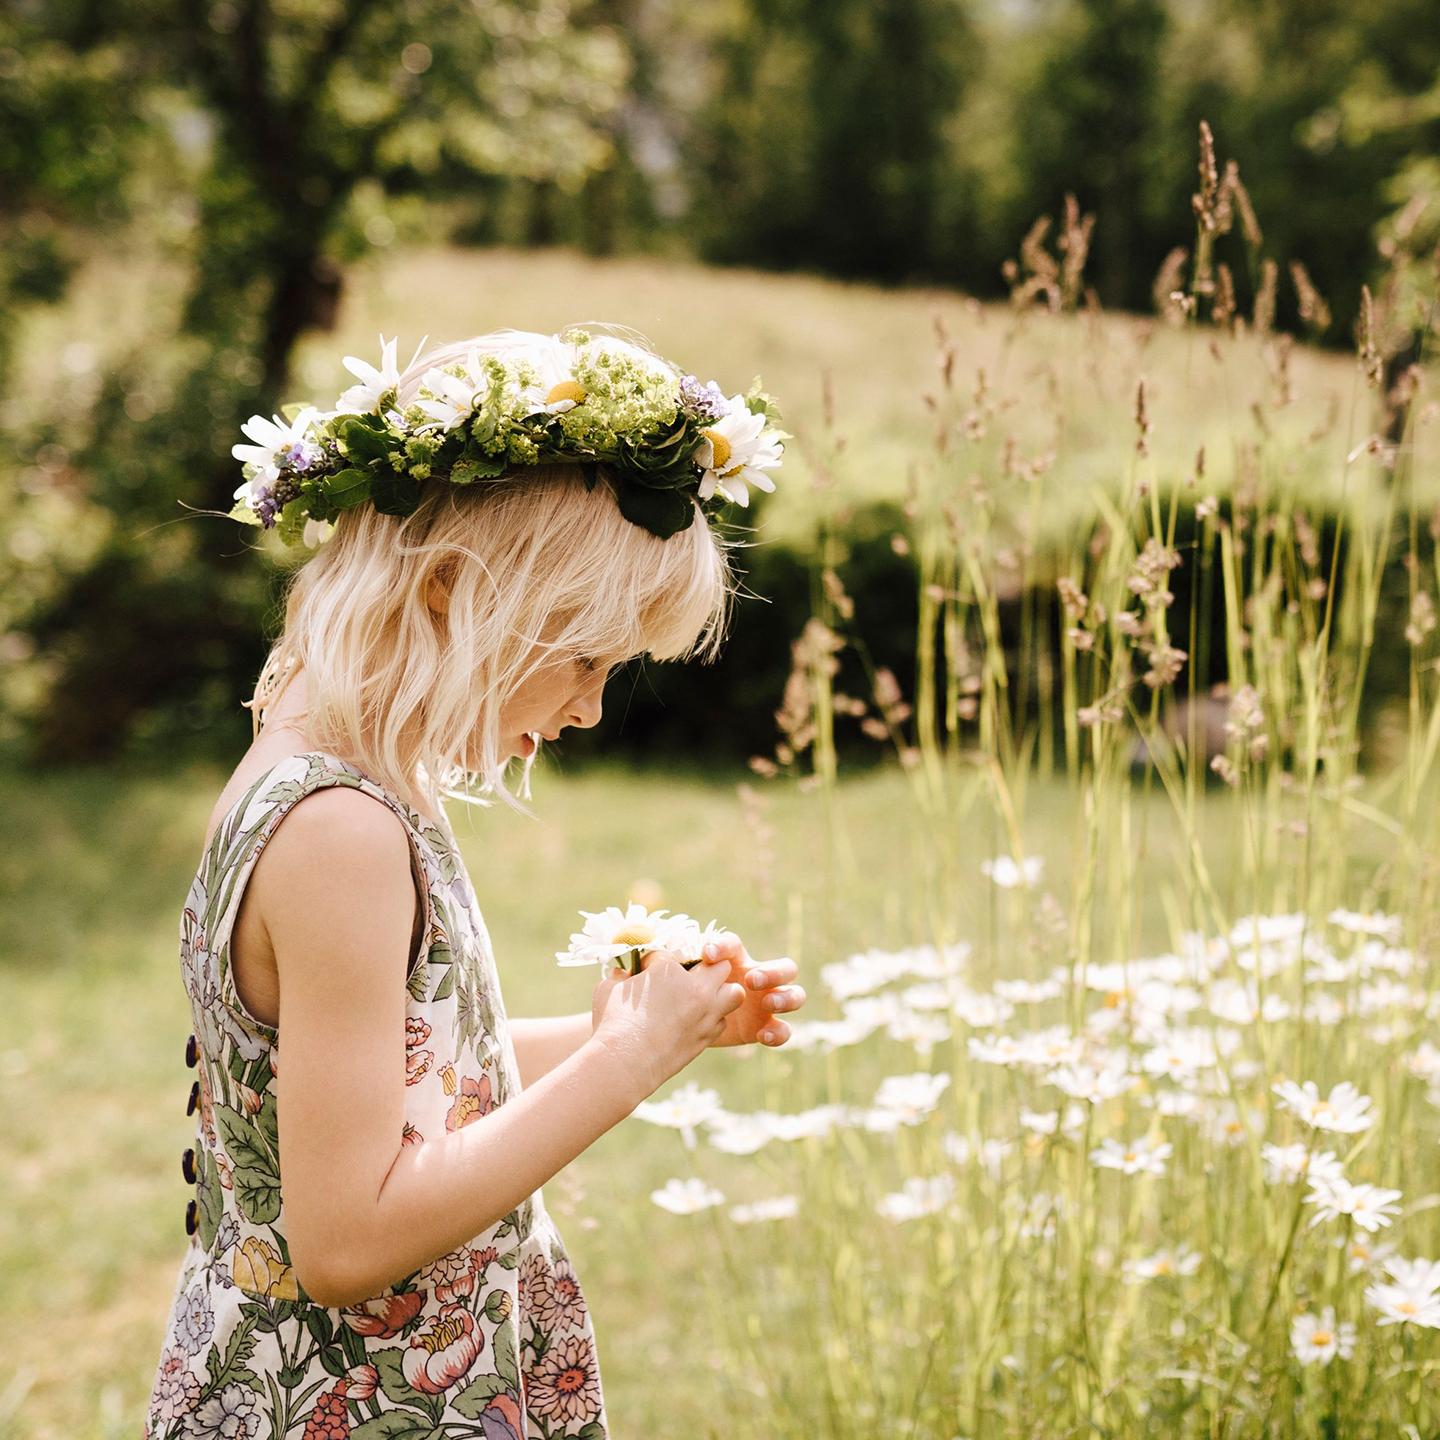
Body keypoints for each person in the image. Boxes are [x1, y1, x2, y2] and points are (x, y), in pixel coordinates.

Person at [143, 326, 807, 1438]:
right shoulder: (337, 831)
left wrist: (630, 1023)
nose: (592, 707)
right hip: (354, 1399)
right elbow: (350, 1241)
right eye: (586, 657)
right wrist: (625, 1060)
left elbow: (384, 1077)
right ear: (453, 590)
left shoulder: (341, 777)